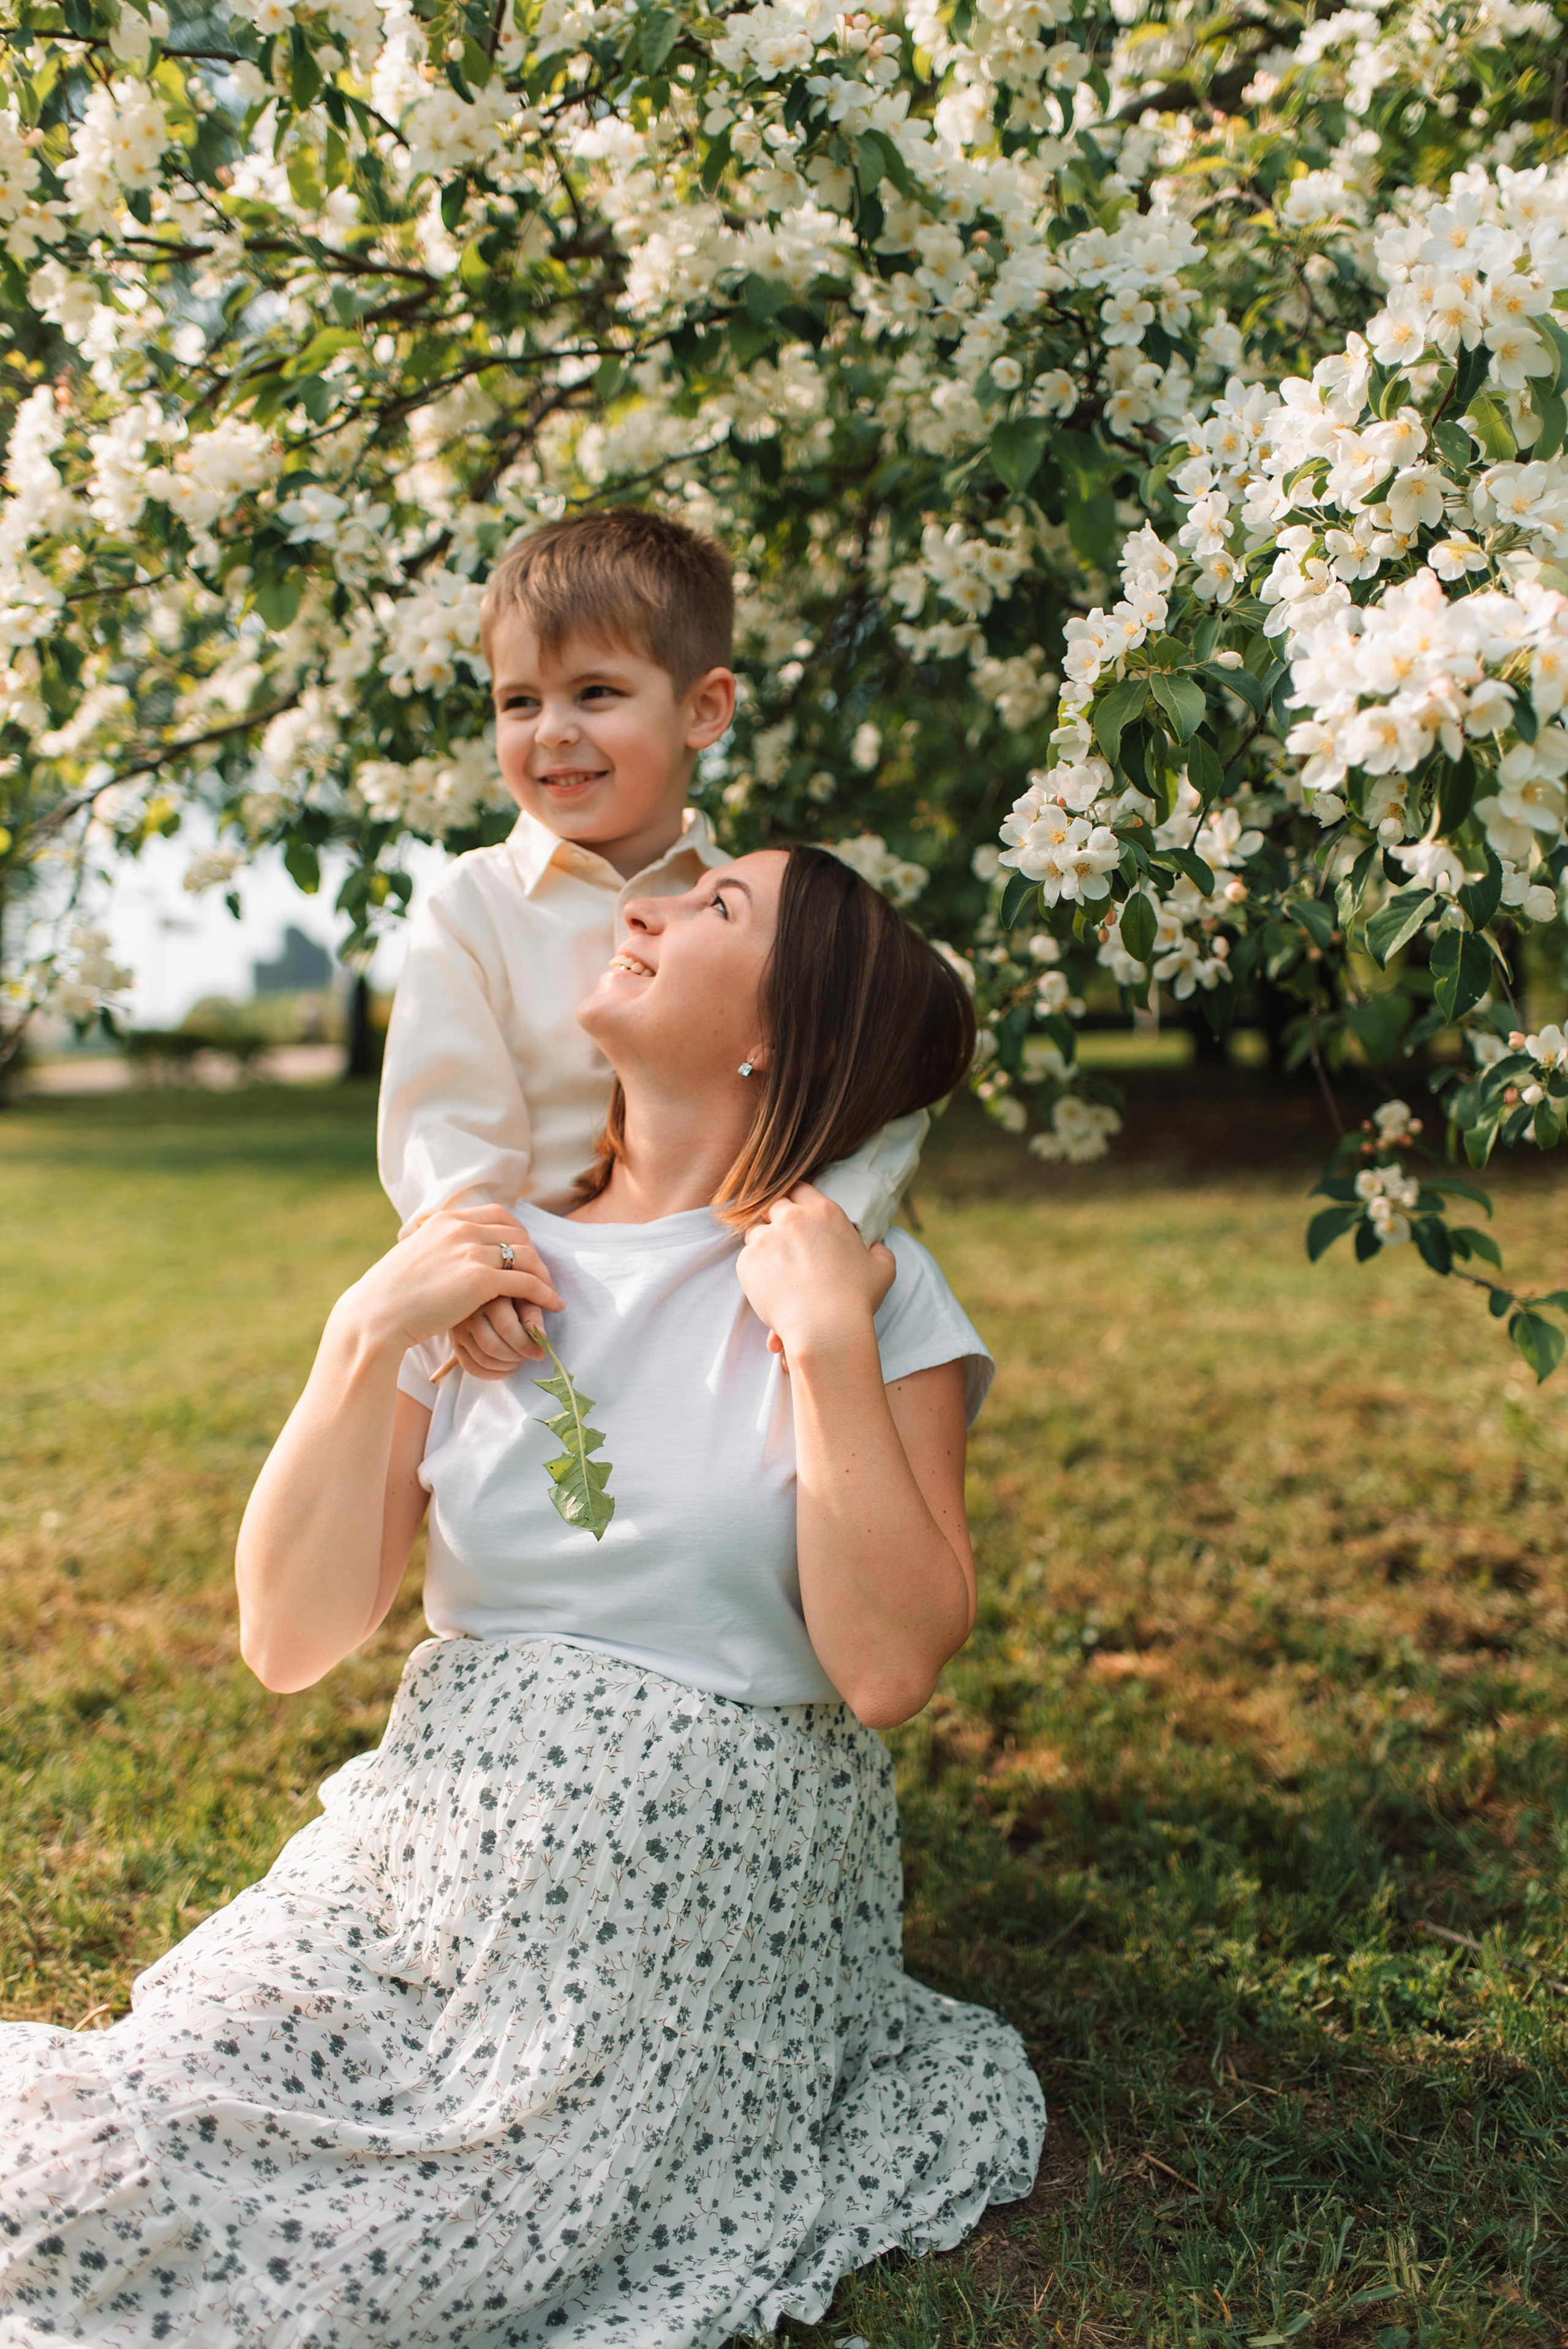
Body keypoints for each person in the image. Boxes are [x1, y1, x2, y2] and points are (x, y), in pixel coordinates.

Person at [0, 844, 1046, 2347]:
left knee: (420, 2235)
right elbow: (291, 1640)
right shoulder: (486, 1267)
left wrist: (820, 1343)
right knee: (139, 2120)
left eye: (712, 909)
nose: (643, 905)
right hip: (421, 1859)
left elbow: (883, 1667)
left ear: (780, 1039)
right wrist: (367, 1335)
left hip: (684, 1888)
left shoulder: (864, 1291)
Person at [377, 504, 925, 1384]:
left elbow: (882, 1066)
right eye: (520, 701)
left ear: (704, 709)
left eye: (595, 692)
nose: (552, 729)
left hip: (724, 1281)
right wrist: (476, 1269)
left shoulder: (747, 910)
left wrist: (833, 1224)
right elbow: (443, 1125)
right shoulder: (471, 905)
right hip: (536, 1301)